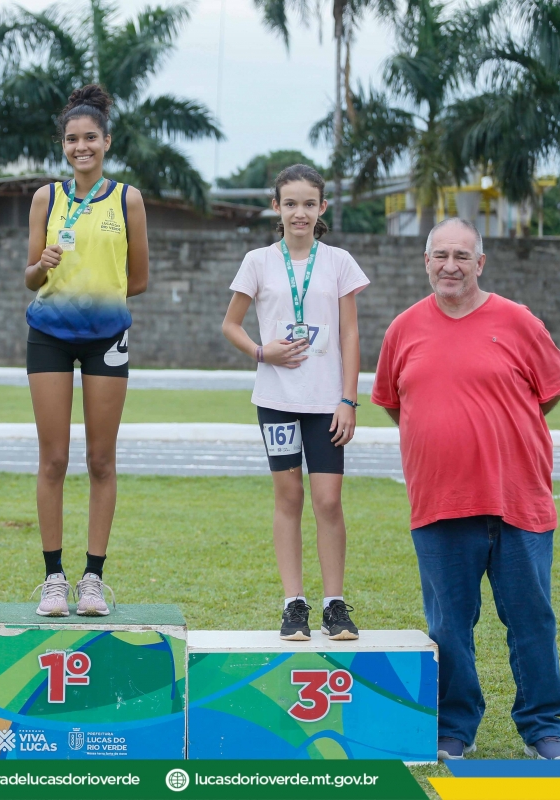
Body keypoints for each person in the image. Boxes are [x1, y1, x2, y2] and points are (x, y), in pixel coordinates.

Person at [372, 217, 560, 761]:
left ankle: (543, 725)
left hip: (517, 500)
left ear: (480, 263)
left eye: (462, 256)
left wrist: (501, 425)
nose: (451, 266)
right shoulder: (403, 329)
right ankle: (455, 725)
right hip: (439, 504)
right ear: (426, 262)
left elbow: (550, 390)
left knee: (531, 620)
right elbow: (393, 402)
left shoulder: (518, 321)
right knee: (448, 627)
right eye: (441, 255)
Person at [221, 165, 369, 641]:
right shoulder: (258, 261)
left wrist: (348, 399)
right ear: (276, 207)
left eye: (308, 204)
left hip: (327, 403)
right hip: (277, 400)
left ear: (322, 208)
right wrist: (262, 352)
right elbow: (231, 325)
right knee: (288, 497)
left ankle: (334, 604)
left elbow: (350, 334)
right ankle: (294, 604)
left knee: (328, 500)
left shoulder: (339, 262)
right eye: (290, 204)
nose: (299, 212)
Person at [24, 84, 149, 616]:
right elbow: (29, 278)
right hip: (49, 336)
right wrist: (43, 265)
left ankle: (93, 579)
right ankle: (54, 578)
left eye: (91, 138)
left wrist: (100, 296)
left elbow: (138, 279)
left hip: (106, 338)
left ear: (106, 141)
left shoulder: (127, 199)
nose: (82, 147)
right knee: (53, 459)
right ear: (63, 145)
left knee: (101, 459)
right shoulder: (46, 199)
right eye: (73, 139)